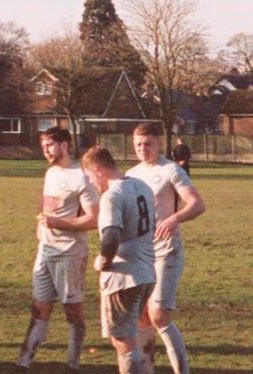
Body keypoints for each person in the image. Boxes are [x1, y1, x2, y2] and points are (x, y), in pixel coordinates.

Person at [14, 127, 99, 372]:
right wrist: (43, 229)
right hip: (46, 250)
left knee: (72, 311)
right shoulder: (50, 173)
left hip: (70, 252)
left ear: (65, 145)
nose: (46, 150)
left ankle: (73, 364)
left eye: (50, 145)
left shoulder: (82, 176)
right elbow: (47, 208)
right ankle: (24, 362)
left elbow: (94, 219)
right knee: (40, 306)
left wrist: (58, 223)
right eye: (43, 146)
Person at [125, 123, 205, 374]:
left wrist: (174, 218)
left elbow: (197, 204)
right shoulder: (131, 174)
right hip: (140, 254)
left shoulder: (171, 169)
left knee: (159, 314)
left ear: (159, 143)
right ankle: (146, 368)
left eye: (147, 144)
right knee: (142, 317)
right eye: (138, 144)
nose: (142, 149)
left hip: (166, 251)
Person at [81, 146, 157, 374]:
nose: (92, 183)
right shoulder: (141, 186)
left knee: (123, 339)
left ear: (99, 171)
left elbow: (111, 235)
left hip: (124, 276)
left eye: (91, 177)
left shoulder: (112, 196)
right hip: (147, 271)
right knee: (134, 333)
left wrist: (104, 260)